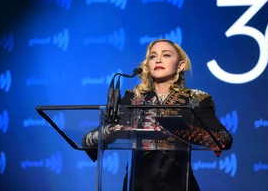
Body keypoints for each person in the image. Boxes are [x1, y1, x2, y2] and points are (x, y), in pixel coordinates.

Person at [82, 39, 233, 191]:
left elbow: (223, 139)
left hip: (179, 184)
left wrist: (178, 129)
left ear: (180, 65)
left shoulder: (196, 99)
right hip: (137, 184)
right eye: (152, 56)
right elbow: (89, 140)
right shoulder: (132, 98)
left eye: (166, 55)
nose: (158, 60)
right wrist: (113, 130)